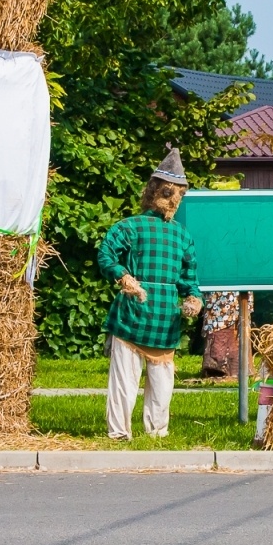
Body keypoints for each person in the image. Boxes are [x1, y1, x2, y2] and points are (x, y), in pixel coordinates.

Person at [96, 149, 203, 439]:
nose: (174, 200)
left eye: (179, 194)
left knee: (162, 383)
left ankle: (157, 432)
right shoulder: (130, 226)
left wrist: (193, 299)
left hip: (165, 319)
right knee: (124, 379)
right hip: (132, 314)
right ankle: (118, 432)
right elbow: (106, 254)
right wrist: (122, 275)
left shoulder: (182, 235)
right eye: (170, 192)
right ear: (154, 190)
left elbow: (189, 279)